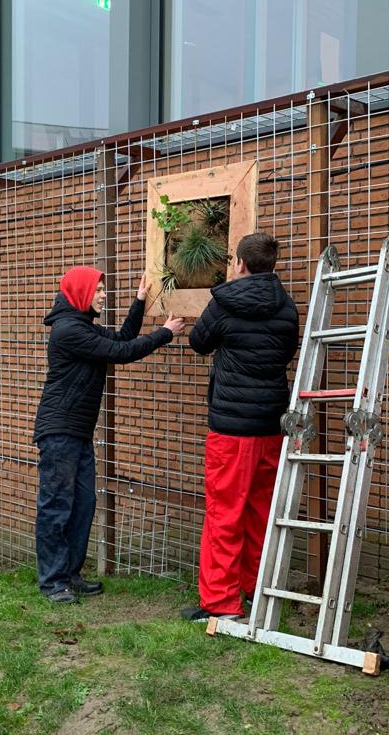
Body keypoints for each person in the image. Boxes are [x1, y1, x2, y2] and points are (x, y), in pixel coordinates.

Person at [34, 266, 184, 604]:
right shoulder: (69, 331)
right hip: (60, 432)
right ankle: (52, 581)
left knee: (83, 504)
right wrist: (165, 333)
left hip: (77, 432)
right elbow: (121, 354)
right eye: (99, 290)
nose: (104, 295)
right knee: (57, 507)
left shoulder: (82, 327)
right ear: (80, 293)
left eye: (104, 290)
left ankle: (70, 574)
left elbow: (122, 339)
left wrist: (140, 300)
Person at [182, 233, 299, 621]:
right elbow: (287, 349)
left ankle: (220, 602)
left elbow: (199, 342)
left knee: (224, 512)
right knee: (260, 509)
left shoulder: (224, 304)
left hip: (231, 428)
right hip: (270, 424)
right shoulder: (287, 308)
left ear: (240, 264)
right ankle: (255, 587)